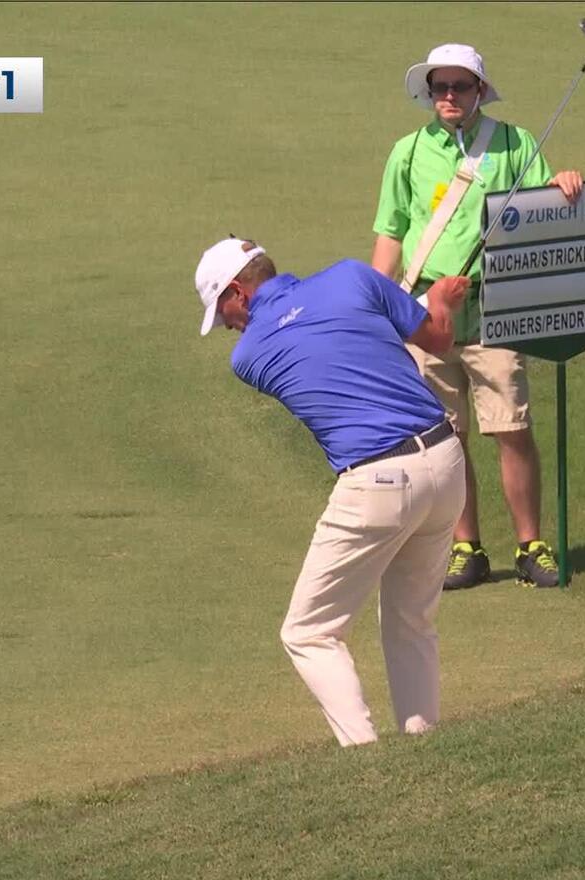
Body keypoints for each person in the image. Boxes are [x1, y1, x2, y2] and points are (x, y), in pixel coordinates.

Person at [193, 236, 470, 747]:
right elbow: (437, 340)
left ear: (239, 291)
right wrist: (440, 303)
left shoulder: (249, 354)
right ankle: (424, 744)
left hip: (377, 483)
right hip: (447, 463)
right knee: (411, 622)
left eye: (222, 310)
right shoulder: (353, 276)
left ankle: (364, 753)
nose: (227, 325)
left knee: (308, 632)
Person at [371, 43, 585, 590]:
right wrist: (380, 304)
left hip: (496, 308)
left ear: (479, 92)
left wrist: (562, 185)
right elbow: (391, 232)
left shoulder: (513, 143)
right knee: (446, 434)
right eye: (439, 86)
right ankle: (466, 547)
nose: (448, 95)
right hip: (424, 311)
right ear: (428, 92)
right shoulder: (408, 152)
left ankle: (529, 545)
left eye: (460, 86)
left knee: (511, 426)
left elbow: (541, 207)